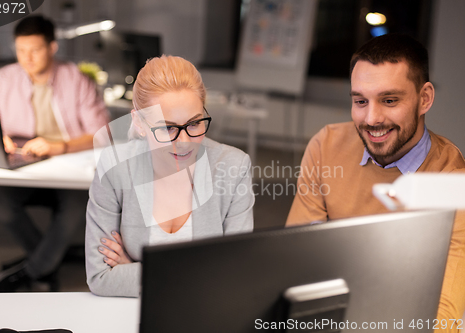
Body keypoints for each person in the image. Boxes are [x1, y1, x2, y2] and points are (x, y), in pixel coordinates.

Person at [286, 33, 465, 332]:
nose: (371, 118)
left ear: (424, 99)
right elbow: (298, 259)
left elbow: (445, 310)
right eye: (360, 101)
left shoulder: (452, 179)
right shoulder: (327, 145)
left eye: (389, 100)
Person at [85, 55, 254, 297]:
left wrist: (136, 271)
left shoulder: (234, 167)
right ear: (139, 123)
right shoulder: (115, 167)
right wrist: (197, 276)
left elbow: (235, 276)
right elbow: (100, 277)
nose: (184, 142)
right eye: (168, 128)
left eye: (194, 124)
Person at [0, 15, 109, 292]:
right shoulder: (6, 78)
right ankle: (48, 259)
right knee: (1, 202)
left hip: (67, 167)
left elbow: (102, 133)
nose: (27, 58)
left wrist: (61, 146)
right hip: (27, 165)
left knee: (73, 209)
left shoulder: (76, 79)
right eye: (21, 50)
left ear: (52, 48)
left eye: (34, 50)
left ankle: (34, 272)